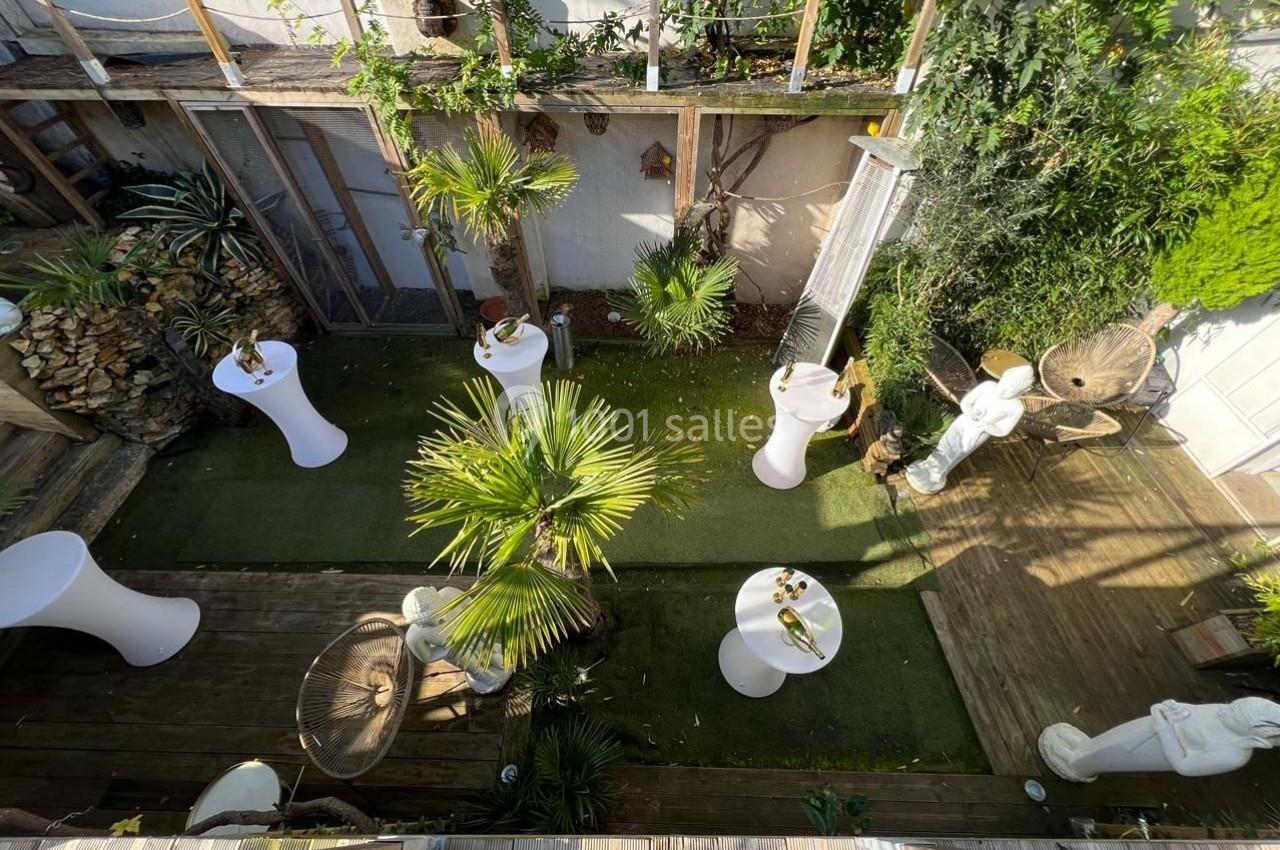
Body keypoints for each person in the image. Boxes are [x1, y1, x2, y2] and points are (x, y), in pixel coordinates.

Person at [905, 364, 1035, 494]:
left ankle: (936, 476)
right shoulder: (988, 386)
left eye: (1010, 390)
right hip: (963, 422)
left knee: (955, 454)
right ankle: (926, 466)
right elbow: (965, 402)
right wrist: (971, 411)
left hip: (978, 433)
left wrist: (986, 425)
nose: (1003, 390)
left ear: (1021, 391)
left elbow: (1003, 430)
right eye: (1003, 383)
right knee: (944, 444)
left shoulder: (1016, 407)